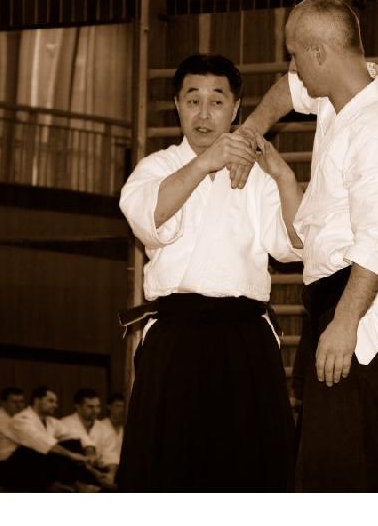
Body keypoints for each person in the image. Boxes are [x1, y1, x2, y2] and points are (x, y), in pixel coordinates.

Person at [232, 0, 378, 492]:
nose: (292, 67)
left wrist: (345, 322)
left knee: (367, 465)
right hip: (337, 297)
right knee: (330, 463)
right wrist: (248, 133)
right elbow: (288, 92)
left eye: (294, 55)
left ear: (319, 53)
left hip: (365, 305)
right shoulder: (343, 95)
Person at [117, 53, 302, 491]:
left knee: (253, 472)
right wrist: (204, 164)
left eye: (217, 101)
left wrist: (283, 177)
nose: (204, 114)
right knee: (169, 470)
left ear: (236, 108)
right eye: (192, 100)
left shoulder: (258, 177)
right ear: (177, 105)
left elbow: (297, 244)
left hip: (245, 335)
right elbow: (149, 221)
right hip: (175, 335)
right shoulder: (155, 168)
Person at [0, 386, 104, 492]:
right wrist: (71, 455)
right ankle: (73, 483)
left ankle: (78, 482)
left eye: (55, 402)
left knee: (71, 443)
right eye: (51, 401)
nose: (55, 405)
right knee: (41, 450)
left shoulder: (51, 421)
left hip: (35, 466)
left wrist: (89, 451)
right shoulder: (21, 419)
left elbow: (74, 434)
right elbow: (41, 442)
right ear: (37, 401)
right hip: (10, 467)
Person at [59, 388, 116, 487]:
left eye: (98, 407)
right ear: (78, 407)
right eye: (90, 407)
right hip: (73, 475)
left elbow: (111, 457)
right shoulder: (64, 424)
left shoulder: (106, 429)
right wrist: (95, 473)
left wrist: (111, 475)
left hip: (100, 473)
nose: (95, 411)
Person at [94, 393, 125, 478]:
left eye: (123, 407)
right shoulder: (100, 427)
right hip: (104, 470)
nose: (121, 410)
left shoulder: (124, 430)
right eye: (118, 406)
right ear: (109, 407)